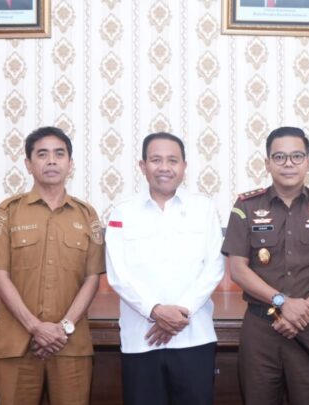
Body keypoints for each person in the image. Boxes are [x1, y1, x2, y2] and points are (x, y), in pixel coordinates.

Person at [222, 126, 309, 404]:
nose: (288, 164)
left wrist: (302, 312)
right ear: (267, 163)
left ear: (308, 162)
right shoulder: (246, 206)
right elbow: (238, 269)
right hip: (261, 326)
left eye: (297, 156)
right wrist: (283, 302)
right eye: (279, 157)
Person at [0, 126, 104, 405]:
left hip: (70, 344)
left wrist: (63, 328)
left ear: (70, 163)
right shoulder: (8, 212)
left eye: (59, 154)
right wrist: (35, 327)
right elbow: (0, 276)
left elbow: (93, 278)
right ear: (28, 164)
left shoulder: (86, 215)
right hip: (17, 344)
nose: (51, 161)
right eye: (42, 154)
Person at [105, 132, 225, 405]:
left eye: (172, 160)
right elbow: (118, 274)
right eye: (156, 160)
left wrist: (180, 313)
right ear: (142, 165)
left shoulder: (203, 208)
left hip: (194, 336)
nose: (164, 167)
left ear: (184, 166)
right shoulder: (123, 212)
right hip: (141, 339)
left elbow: (214, 267)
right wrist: (155, 310)